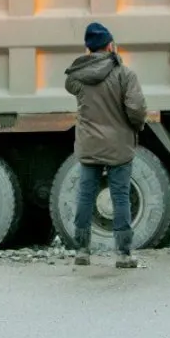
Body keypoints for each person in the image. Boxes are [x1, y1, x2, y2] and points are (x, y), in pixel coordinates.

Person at [64, 22, 147, 269]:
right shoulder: (125, 74)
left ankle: (82, 250)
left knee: (85, 196)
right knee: (120, 197)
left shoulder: (78, 78)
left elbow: (70, 83)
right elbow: (137, 109)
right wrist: (136, 126)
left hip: (89, 145)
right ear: (110, 45)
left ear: (88, 49)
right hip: (119, 146)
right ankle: (123, 254)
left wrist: (85, 60)